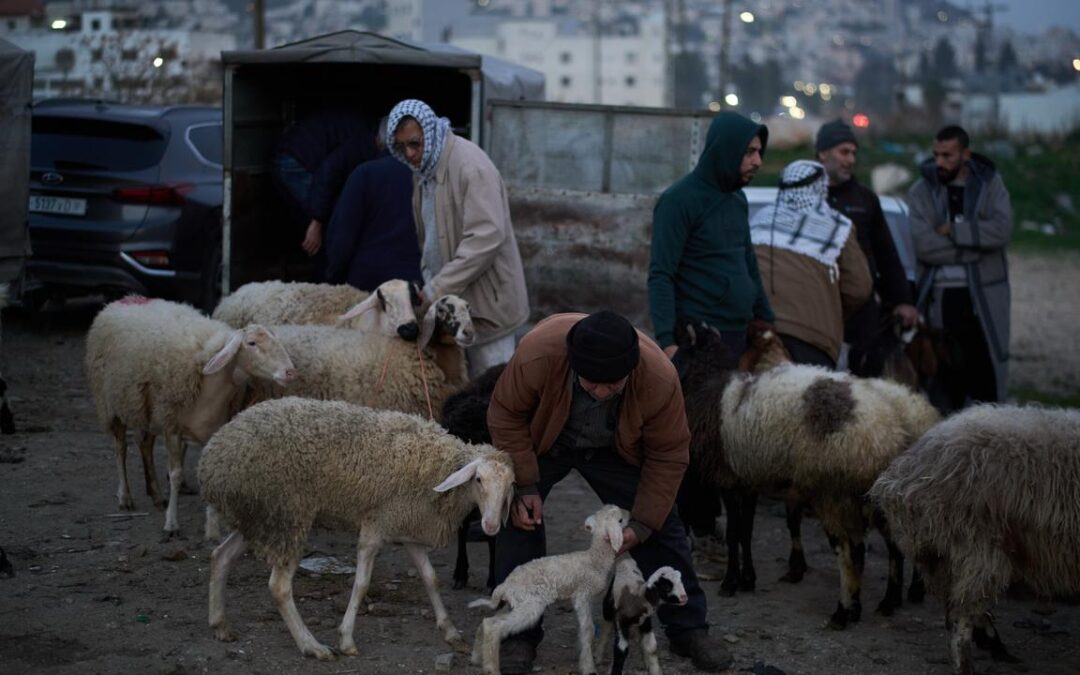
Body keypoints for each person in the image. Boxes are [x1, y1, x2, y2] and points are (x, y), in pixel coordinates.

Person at [487, 311, 733, 674]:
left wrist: (645, 523)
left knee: (663, 524)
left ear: (631, 372)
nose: (602, 392)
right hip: (548, 440)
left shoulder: (658, 378)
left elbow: (668, 455)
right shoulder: (538, 355)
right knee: (517, 515)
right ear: (572, 366)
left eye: (612, 385)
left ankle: (689, 628)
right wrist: (524, 485)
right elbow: (505, 414)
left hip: (616, 447)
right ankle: (517, 634)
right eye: (591, 384)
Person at [648, 110, 774, 541]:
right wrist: (666, 341)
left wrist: (765, 315)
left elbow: (747, 260)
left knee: (724, 432)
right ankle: (685, 527)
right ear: (725, 151)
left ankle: (707, 523)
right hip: (698, 341)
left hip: (737, 337)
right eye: (750, 151)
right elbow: (661, 273)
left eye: (760, 151)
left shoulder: (736, 200)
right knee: (693, 434)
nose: (757, 160)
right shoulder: (680, 200)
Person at [387, 99, 529, 377]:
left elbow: (485, 238)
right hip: (451, 305)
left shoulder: (471, 167)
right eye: (402, 147)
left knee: (494, 390)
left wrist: (437, 288)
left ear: (429, 132)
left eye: (415, 143)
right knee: (461, 389)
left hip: (488, 306)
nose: (411, 153)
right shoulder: (423, 171)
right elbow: (429, 238)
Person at [908, 125, 1012, 411]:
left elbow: (1001, 231)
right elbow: (924, 246)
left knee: (986, 383)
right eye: (936, 155)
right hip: (940, 301)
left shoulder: (990, 185)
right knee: (943, 385)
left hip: (984, 301)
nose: (939, 162)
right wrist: (975, 250)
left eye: (948, 156)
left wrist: (955, 230)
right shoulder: (921, 192)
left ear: (965, 154)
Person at [815, 119, 918, 374]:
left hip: (862, 313)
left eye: (853, 153)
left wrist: (901, 300)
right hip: (816, 307)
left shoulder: (865, 199)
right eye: (844, 152)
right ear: (823, 153)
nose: (850, 160)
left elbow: (886, 254)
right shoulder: (806, 197)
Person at [272, 107, 379, 269]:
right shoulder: (366, 140)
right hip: (297, 160)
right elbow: (328, 173)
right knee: (331, 224)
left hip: (295, 152)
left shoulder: (362, 129)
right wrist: (317, 221)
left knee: (329, 218)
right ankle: (329, 275)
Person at [323, 117, 421, 290]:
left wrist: (333, 277)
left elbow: (342, 237)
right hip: (418, 285)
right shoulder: (429, 176)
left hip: (368, 286)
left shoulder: (364, 174)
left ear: (379, 141)